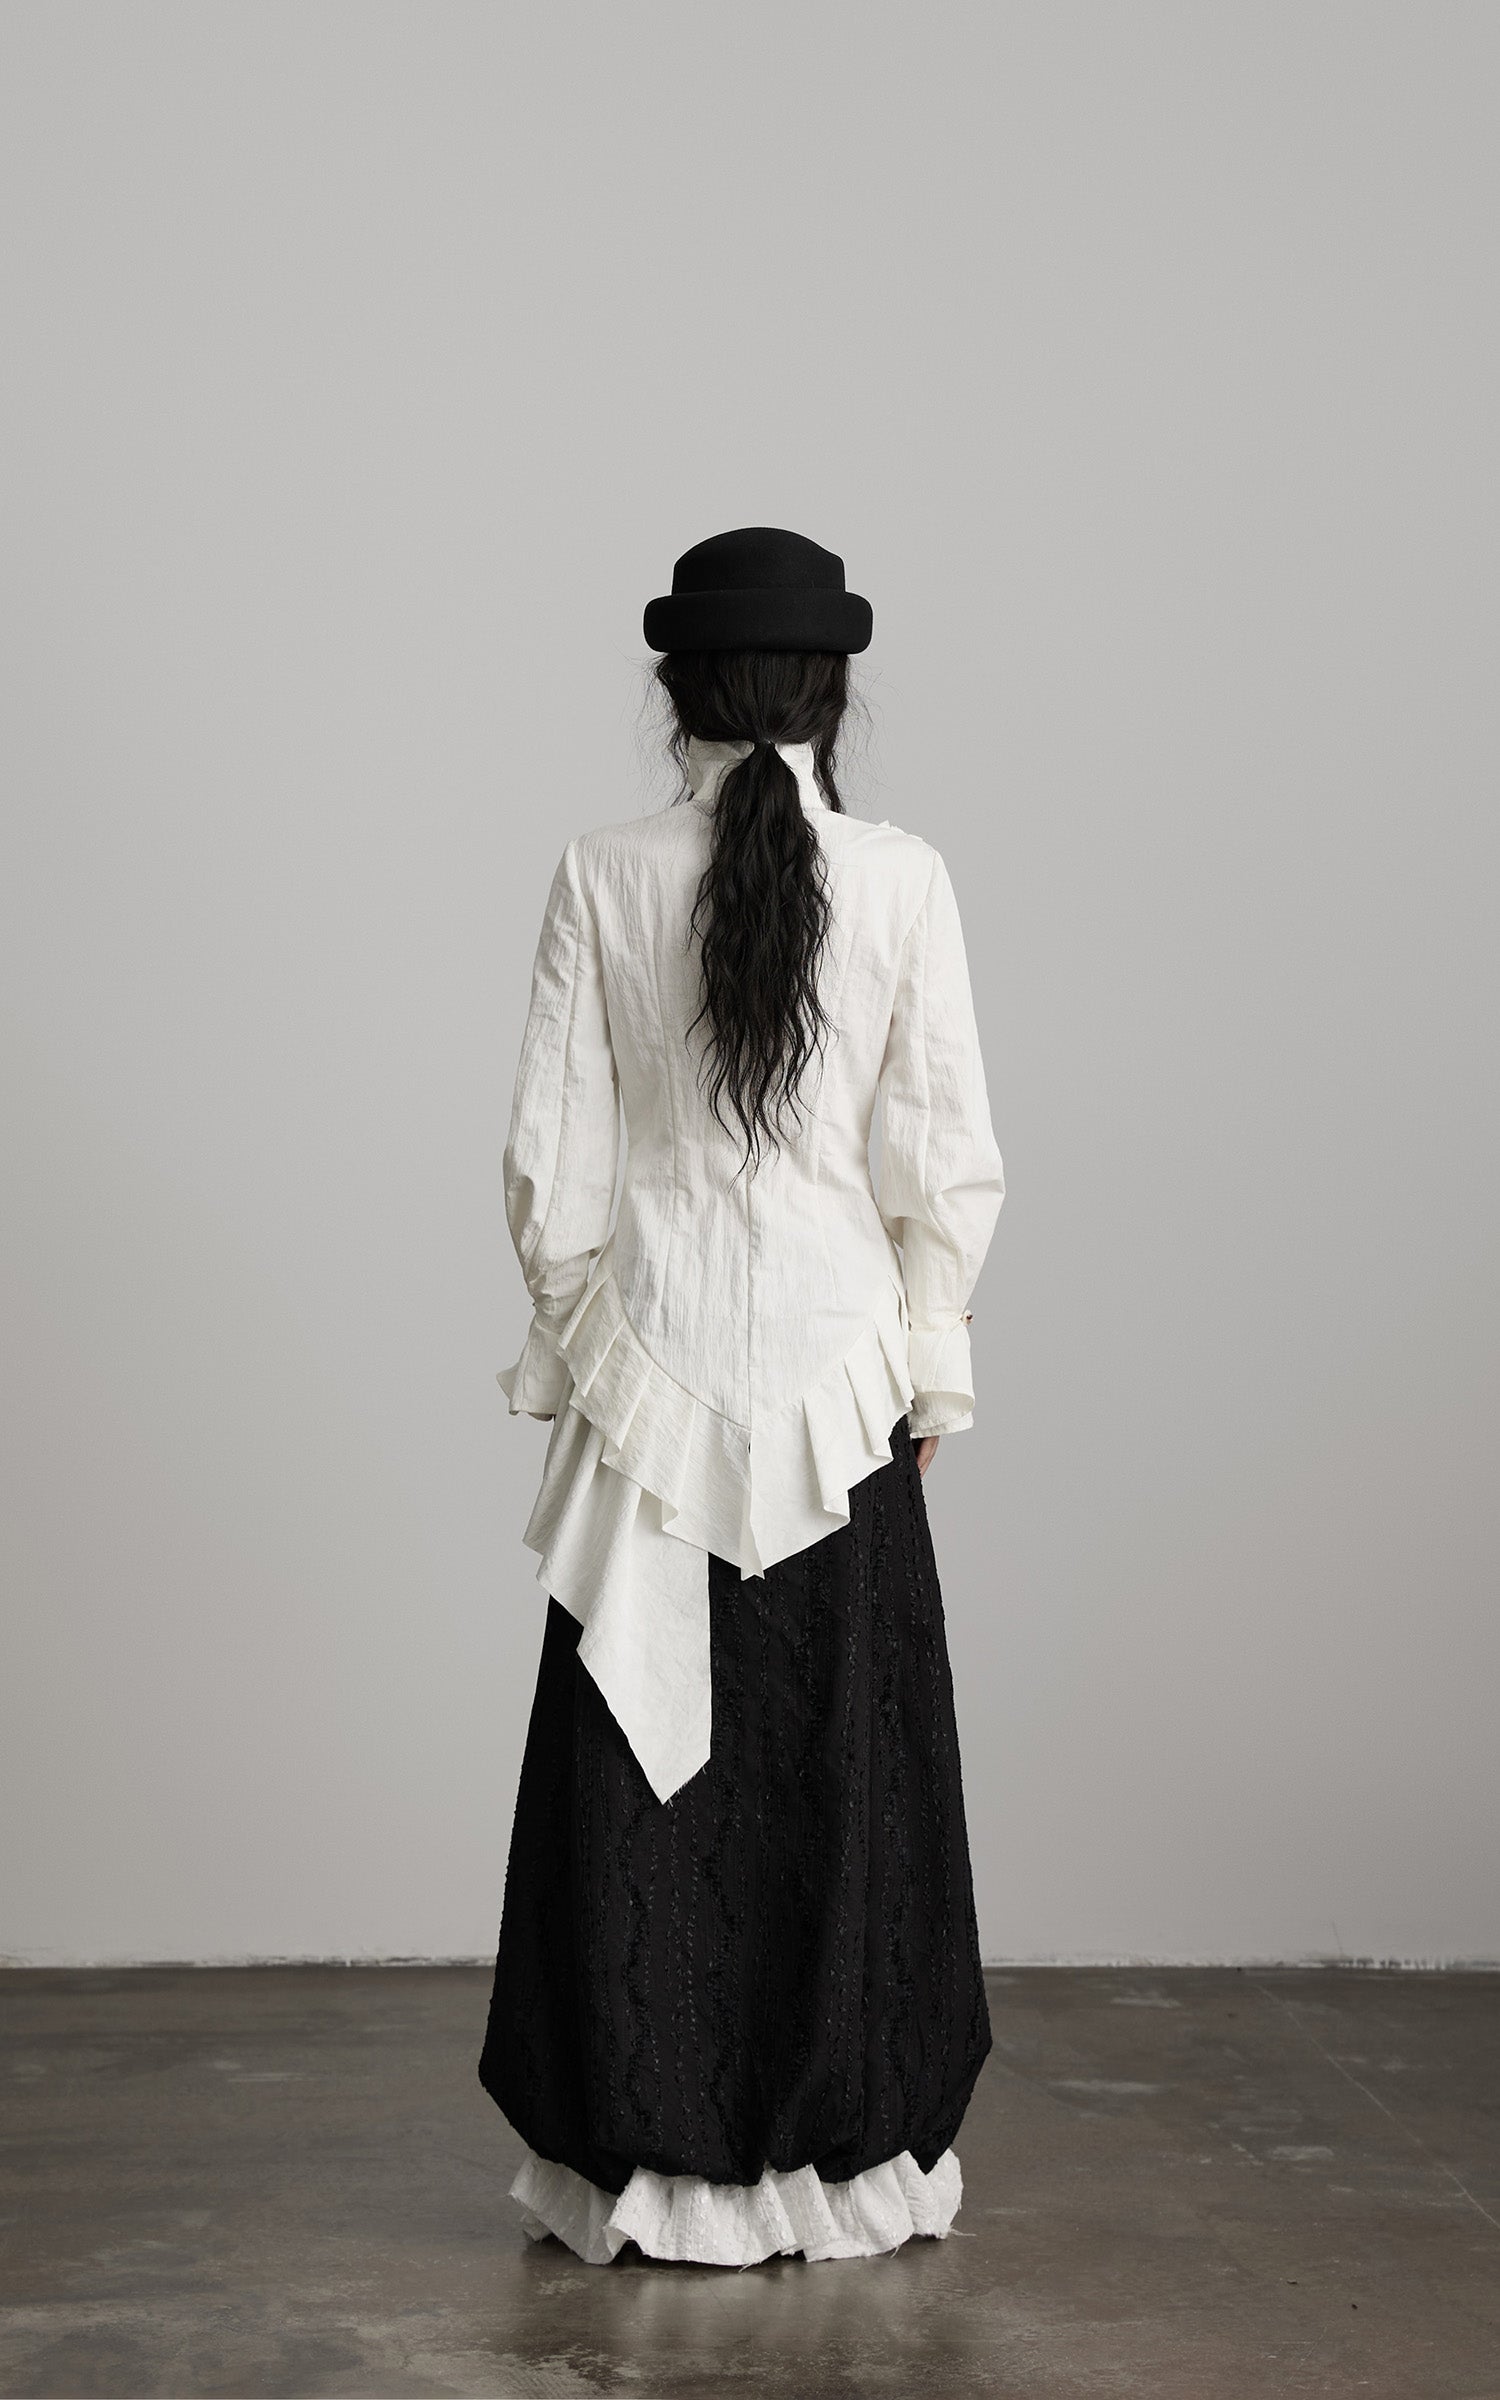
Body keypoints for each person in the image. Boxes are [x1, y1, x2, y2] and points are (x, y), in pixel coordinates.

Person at [477, 525, 1006, 2267]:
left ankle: (652, 2160)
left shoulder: (601, 872)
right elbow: (941, 1157)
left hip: (650, 1392)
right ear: (831, 691)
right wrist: (931, 1358)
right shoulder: (905, 879)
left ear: (677, 690)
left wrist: (595, 1358)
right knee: (840, 1775)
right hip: (846, 1408)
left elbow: (551, 1168)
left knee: (644, 1789)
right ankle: (840, 2155)